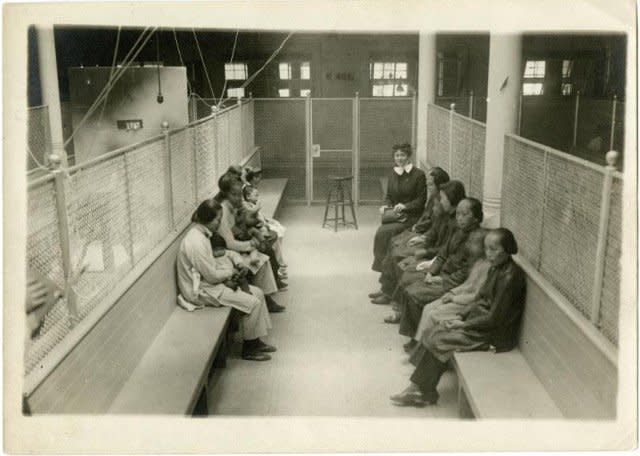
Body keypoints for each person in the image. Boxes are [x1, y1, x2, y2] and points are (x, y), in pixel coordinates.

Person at [390, 228, 526, 407]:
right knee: (436, 330)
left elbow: (494, 318)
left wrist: (463, 324)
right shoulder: (496, 267)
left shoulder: (510, 276)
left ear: (507, 249)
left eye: (494, 249)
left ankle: (421, 391)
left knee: (440, 338)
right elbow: (479, 299)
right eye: (487, 249)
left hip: (494, 335)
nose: (489, 254)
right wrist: (460, 316)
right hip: (479, 322)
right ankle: (422, 389)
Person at [176, 199, 276, 361]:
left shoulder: (202, 234)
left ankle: (256, 341)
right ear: (206, 219)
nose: (219, 224)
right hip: (200, 291)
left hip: (208, 284)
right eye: (217, 220)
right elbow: (212, 276)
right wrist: (230, 272)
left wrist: (233, 269)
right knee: (253, 302)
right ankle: (249, 349)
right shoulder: (195, 242)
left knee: (257, 292)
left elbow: (212, 269)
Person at [398, 197, 484, 349]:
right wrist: (432, 272)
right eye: (458, 214)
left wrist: (443, 281)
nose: (460, 218)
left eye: (465, 215)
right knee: (411, 286)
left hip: (454, 284)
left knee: (415, 294)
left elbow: (467, 273)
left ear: (476, 218)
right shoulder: (458, 231)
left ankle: (417, 341)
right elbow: (443, 254)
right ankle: (415, 336)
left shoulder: (477, 239)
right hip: (442, 276)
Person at [215, 174, 287, 312]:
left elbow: (238, 228)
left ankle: (266, 298)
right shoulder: (223, 211)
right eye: (235, 195)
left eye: (239, 195)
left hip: (236, 250)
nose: (239, 199)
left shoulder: (233, 207)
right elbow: (229, 244)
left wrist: (252, 238)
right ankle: (265, 299)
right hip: (226, 256)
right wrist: (251, 244)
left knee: (263, 258)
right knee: (260, 261)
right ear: (225, 194)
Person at [413, 228, 490, 345]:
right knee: (428, 307)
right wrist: (452, 293)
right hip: (460, 298)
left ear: (483, 246)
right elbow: (467, 284)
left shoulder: (488, 267)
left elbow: (476, 296)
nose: (468, 245)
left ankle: (422, 346)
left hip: (468, 304)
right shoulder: (479, 261)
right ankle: (417, 342)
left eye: (472, 243)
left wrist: (453, 298)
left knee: (433, 314)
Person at [371, 143, 427, 273]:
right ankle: (384, 270)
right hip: (396, 216)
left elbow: (421, 200)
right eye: (397, 155)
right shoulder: (393, 173)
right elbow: (389, 195)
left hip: (412, 217)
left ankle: (384, 270)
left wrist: (405, 206)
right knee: (382, 233)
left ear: (409, 156)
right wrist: (386, 205)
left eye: (402, 155)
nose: (399, 158)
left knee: (383, 233)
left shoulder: (419, 175)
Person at [243, 184, 287, 277]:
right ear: (247, 196)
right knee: (274, 237)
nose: (257, 197)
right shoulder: (248, 206)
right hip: (256, 232)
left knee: (276, 233)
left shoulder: (252, 204)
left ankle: (279, 264)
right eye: (255, 195)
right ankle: (278, 267)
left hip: (260, 228)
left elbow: (260, 218)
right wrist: (258, 211)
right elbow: (252, 219)